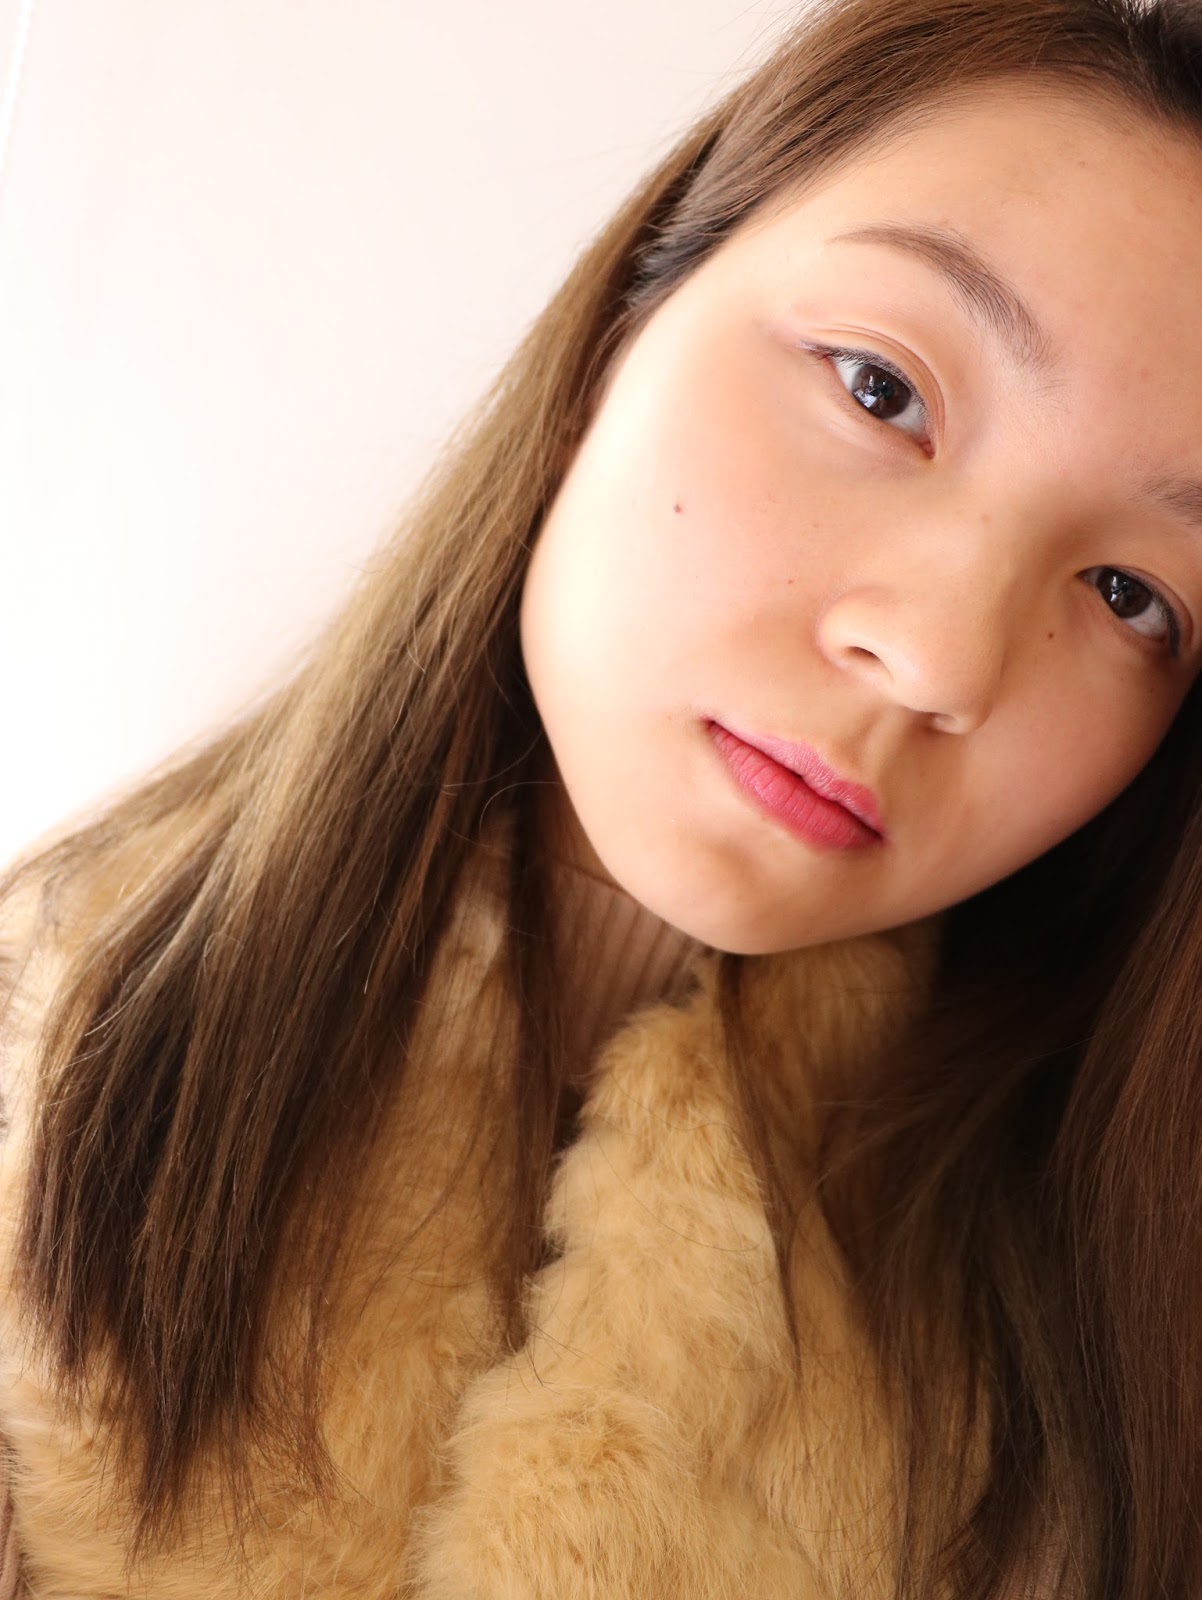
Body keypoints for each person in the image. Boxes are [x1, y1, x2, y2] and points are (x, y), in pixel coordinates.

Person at [4, 0, 1202, 1593]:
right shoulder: (41, 1056)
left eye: (1131, 595)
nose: (933, 656)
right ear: (620, 325)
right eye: (876, 388)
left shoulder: (1115, 1395)